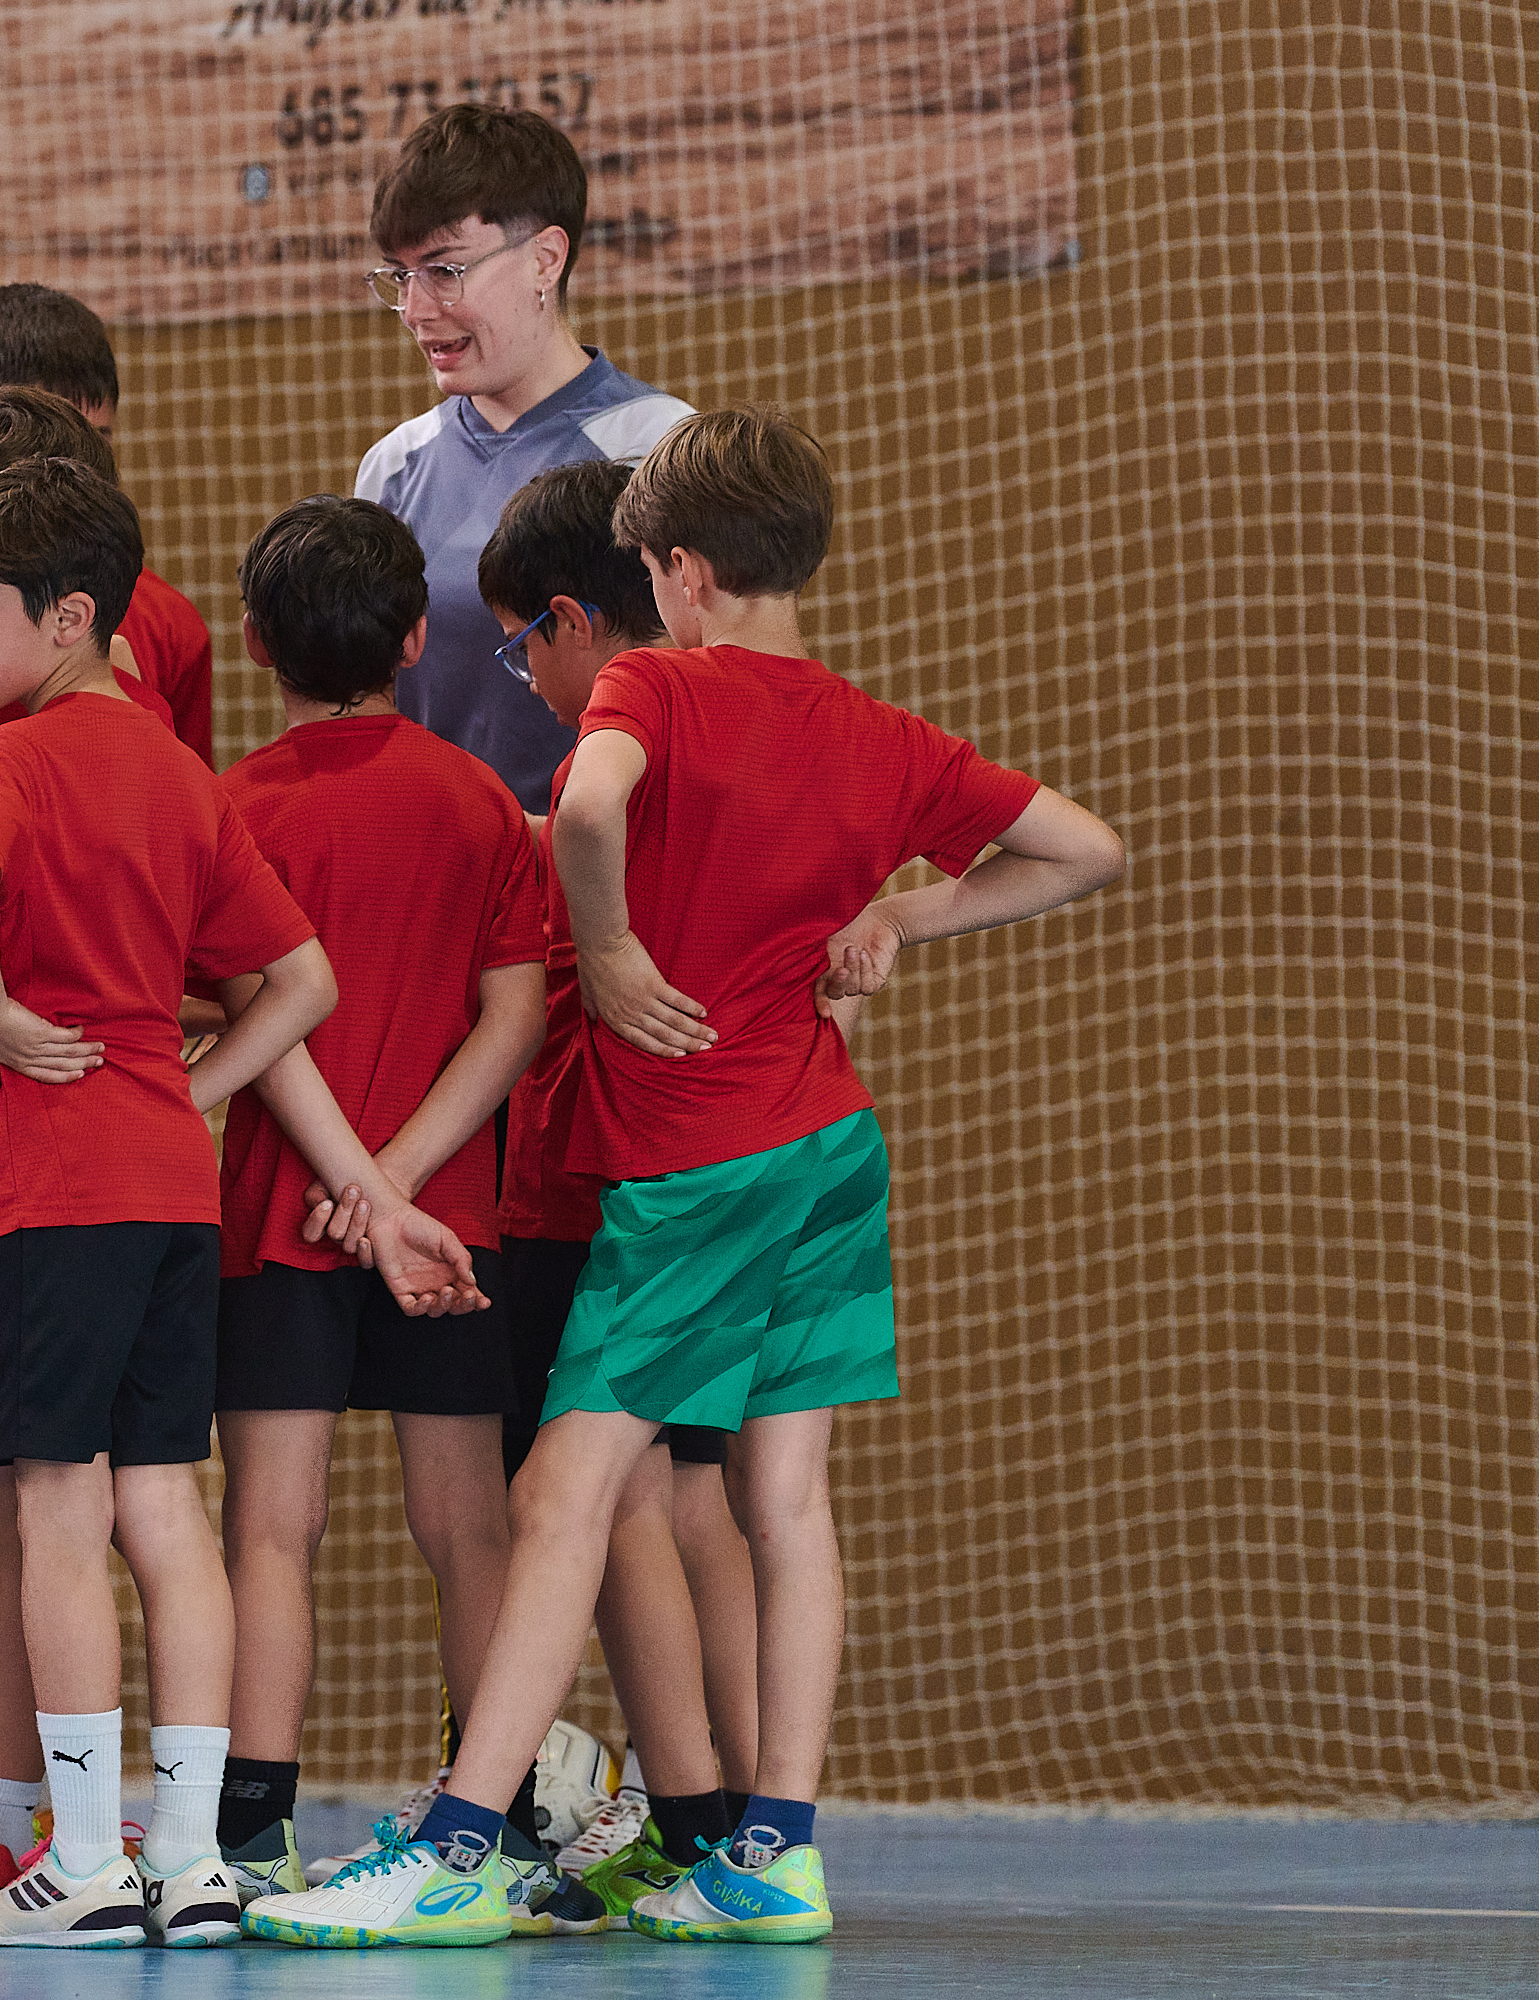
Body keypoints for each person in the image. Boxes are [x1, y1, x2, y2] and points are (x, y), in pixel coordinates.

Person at [250, 407, 1125, 1948]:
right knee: (785, 1499)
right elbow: (1087, 849)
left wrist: (606, 947)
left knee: (560, 1489)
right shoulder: (884, 733)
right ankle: (773, 1850)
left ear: (680, 572)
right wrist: (902, 916)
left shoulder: (654, 680)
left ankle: (457, 1850)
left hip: (701, 1164)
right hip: (830, 1152)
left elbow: (592, 806)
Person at [0, 456, 359, 1951]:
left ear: (70, 617)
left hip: (44, 1188)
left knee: (58, 1504)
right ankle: (188, 1855)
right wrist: (200, 1084)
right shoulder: (180, 770)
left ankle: (84, 1857)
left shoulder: (14, 758)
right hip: (170, 1187)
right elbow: (304, 979)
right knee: (169, 1506)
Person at [198, 497, 546, 1908]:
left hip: (282, 1208)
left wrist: (352, 1183)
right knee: (470, 1527)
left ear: (254, 642)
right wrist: (400, 1184)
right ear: (414, 640)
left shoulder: (232, 808)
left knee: (270, 1529)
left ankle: (250, 1831)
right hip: (446, 1216)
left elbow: (242, 1015)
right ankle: (496, 1823)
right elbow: (516, 1018)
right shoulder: (479, 801)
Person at [472, 459, 766, 1935]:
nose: (524, 677)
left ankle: (689, 1814)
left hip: (593, 1193)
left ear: (578, 619)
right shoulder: (744, 754)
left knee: (602, 1498)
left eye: (521, 647)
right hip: (725, 1177)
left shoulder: (602, 777)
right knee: (691, 1492)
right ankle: (737, 1823)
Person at [352, 105, 694, 813]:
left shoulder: (659, 448)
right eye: (401, 276)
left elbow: (708, 696)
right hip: (439, 860)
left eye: (445, 270)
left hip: (613, 865)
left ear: (545, 259)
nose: (415, 309)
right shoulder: (393, 467)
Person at [0, 282, 218, 762]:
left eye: (97, 443)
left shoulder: (167, 623)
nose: (77, 473)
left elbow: (183, 797)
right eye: (46, 449)